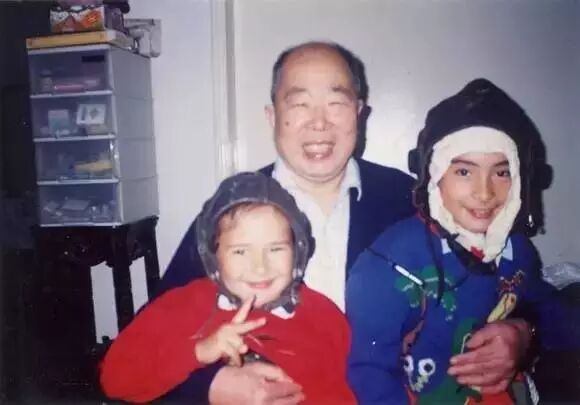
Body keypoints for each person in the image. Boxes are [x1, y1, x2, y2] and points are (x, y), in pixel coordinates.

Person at [154, 42, 531, 403]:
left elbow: (511, 284)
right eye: (299, 104)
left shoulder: (413, 199)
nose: (319, 123)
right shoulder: (231, 212)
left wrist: (522, 335)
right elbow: (150, 335)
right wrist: (210, 386)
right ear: (272, 116)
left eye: (336, 103)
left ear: (360, 113)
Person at [346, 78, 580, 404]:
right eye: (464, 172)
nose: (485, 193)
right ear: (434, 174)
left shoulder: (515, 252)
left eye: (501, 172)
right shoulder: (390, 263)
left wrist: (526, 333)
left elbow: (553, 316)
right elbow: (369, 373)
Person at [100, 172, 355, 404]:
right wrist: (198, 352)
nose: (260, 267)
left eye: (276, 249)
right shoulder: (179, 306)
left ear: (297, 251)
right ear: (214, 256)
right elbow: (115, 378)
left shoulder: (323, 316)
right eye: (240, 251)